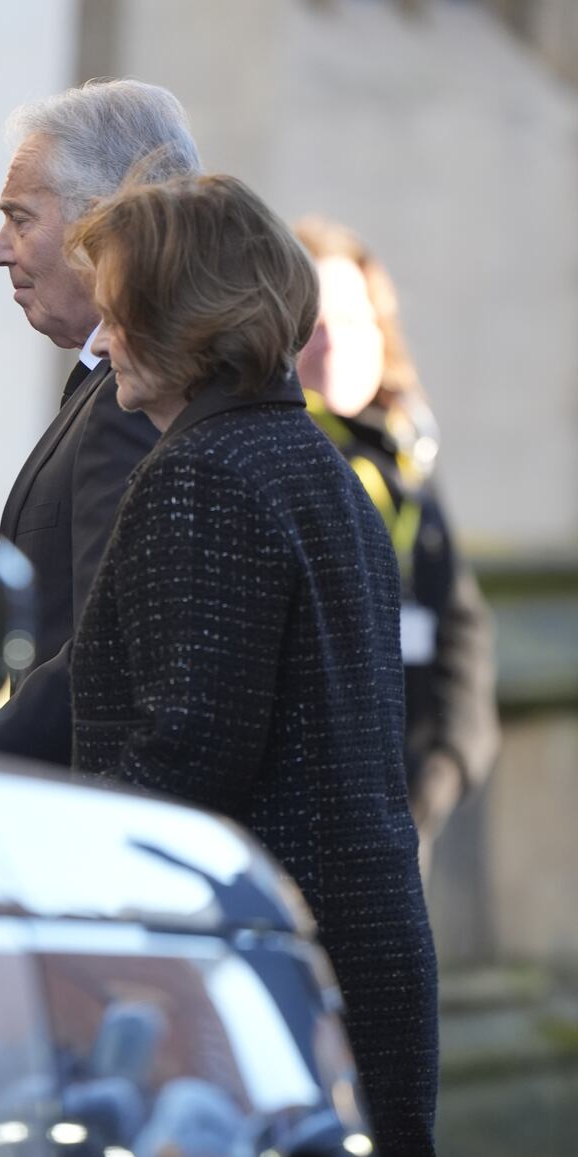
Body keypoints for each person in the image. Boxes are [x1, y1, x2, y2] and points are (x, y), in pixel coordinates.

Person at [65, 173, 438, 1157]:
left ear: (175, 315)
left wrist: (54, 844)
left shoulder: (204, 471)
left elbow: (191, 748)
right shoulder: (308, 463)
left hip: (258, 975)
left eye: (114, 310)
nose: (99, 341)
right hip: (344, 948)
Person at [0, 80, 201, 764]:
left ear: (104, 223)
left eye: (21, 219)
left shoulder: (143, 401)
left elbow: (104, 660)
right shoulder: (105, 384)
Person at [294, 216, 500, 875]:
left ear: (382, 333)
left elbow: (462, 623)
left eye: (351, 322)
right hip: (314, 825)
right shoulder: (276, 455)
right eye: (312, 323)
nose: (331, 343)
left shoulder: (408, 455)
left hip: (409, 820)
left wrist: (444, 773)